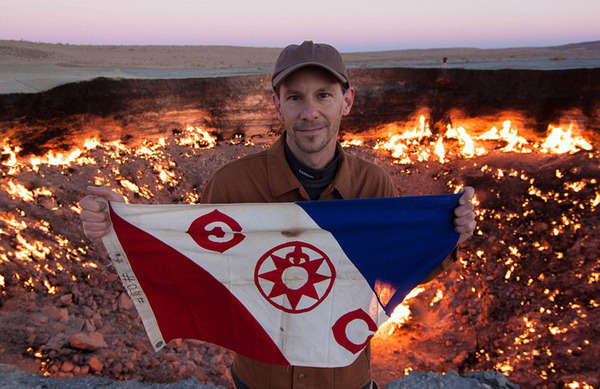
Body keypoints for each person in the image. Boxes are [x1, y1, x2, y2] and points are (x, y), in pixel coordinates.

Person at [79, 40, 476, 389]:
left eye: (323, 95)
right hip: (258, 381)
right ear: (277, 104)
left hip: (346, 382)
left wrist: (447, 236)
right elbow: (189, 262)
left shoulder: (373, 187)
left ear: (347, 101)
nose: (310, 112)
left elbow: (394, 271)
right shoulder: (232, 185)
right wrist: (121, 223)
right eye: (295, 97)